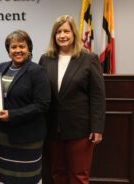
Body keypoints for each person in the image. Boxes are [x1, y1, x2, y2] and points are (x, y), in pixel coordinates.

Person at [39, 15, 106, 184]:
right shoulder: (45, 59)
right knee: (57, 174)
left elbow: (97, 96)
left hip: (80, 130)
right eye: (58, 31)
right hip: (52, 128)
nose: (62, 35)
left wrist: (97, 127)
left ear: (74, 33)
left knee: (79, 175)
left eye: (66, 31)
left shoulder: (89, 59)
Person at [0, 30, 51, 184]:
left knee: (27, 179)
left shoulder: (37, 71)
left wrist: (12, 115)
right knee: (5, 179)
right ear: (8, 50)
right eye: (13, 47)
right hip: (5, 137)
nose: (18, 50)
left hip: (28, 137)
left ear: (29, 49)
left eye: (22, 46)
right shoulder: (1, 68)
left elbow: (42, 105)